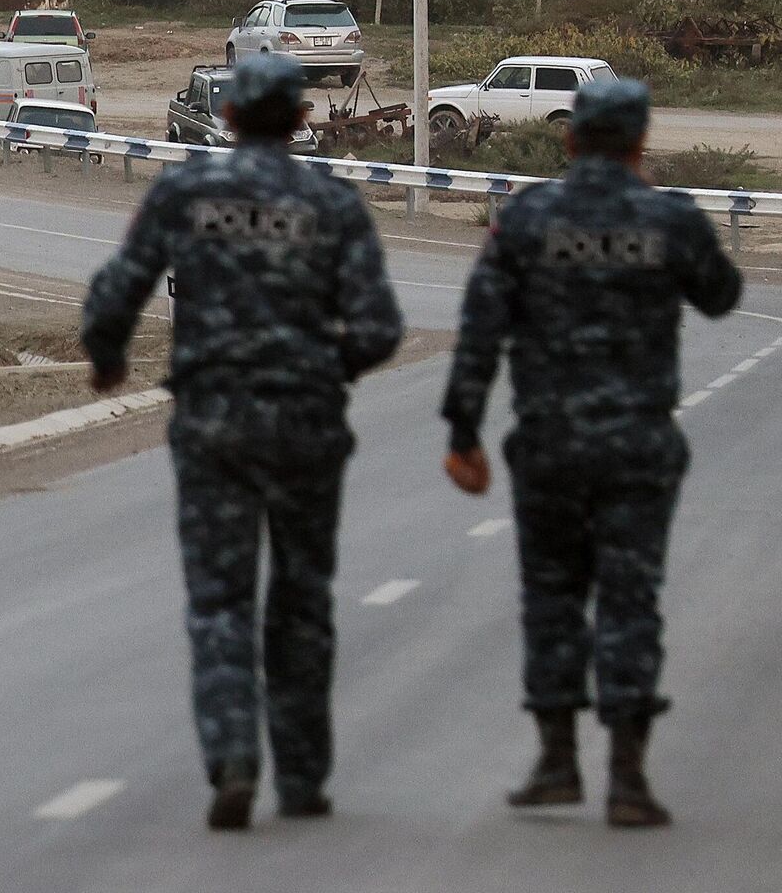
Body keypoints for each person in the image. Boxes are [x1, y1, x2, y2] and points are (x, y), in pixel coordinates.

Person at [81, 53, 403, 830]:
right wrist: (327, 371)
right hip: (305, 428)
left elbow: (118, 287)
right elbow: (380, 326)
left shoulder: (186, 192)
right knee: (301, 600)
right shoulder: (331, 202)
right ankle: (301, 776)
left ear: (226, 118)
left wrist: (109, 355)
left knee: (221, 601)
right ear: (298, 119)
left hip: (214, 424)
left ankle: (232, 757)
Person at [440, 77, 740, 829]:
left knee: (552, 598)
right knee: (631, 600)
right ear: (641, 142)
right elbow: (722, 296)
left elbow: (481, 329)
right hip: (639, 444)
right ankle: (630, 778)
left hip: (549, 445)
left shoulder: (529, 217)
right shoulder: (668, 219)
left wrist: (463, 431)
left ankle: (557, 762)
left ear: (568, 141)